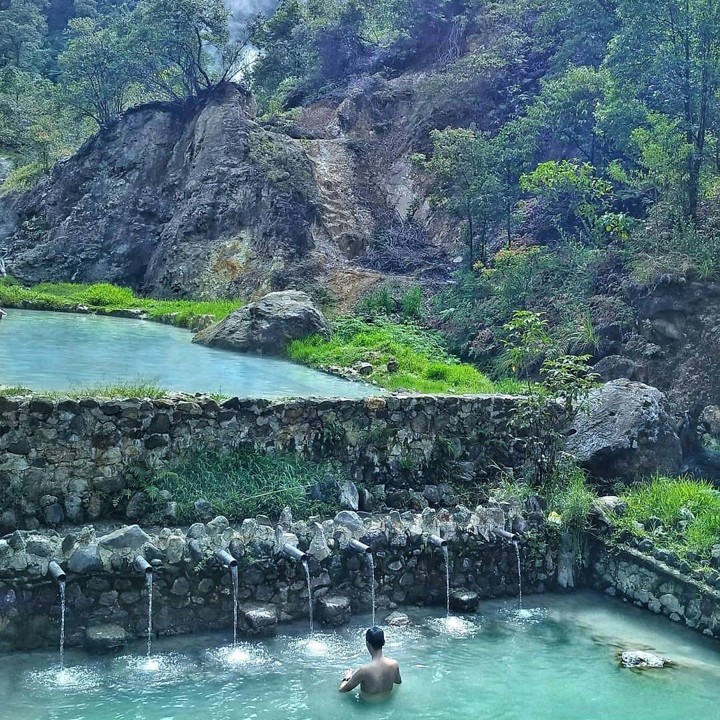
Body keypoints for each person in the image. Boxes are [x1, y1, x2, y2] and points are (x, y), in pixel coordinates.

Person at [338, 626, 402, 700]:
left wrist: (346, 678)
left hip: (366, 707)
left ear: (367, 644)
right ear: (384, 642)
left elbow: (342, 690)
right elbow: (398, 682)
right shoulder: (394, 664)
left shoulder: (363, 670)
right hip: (387, 703)